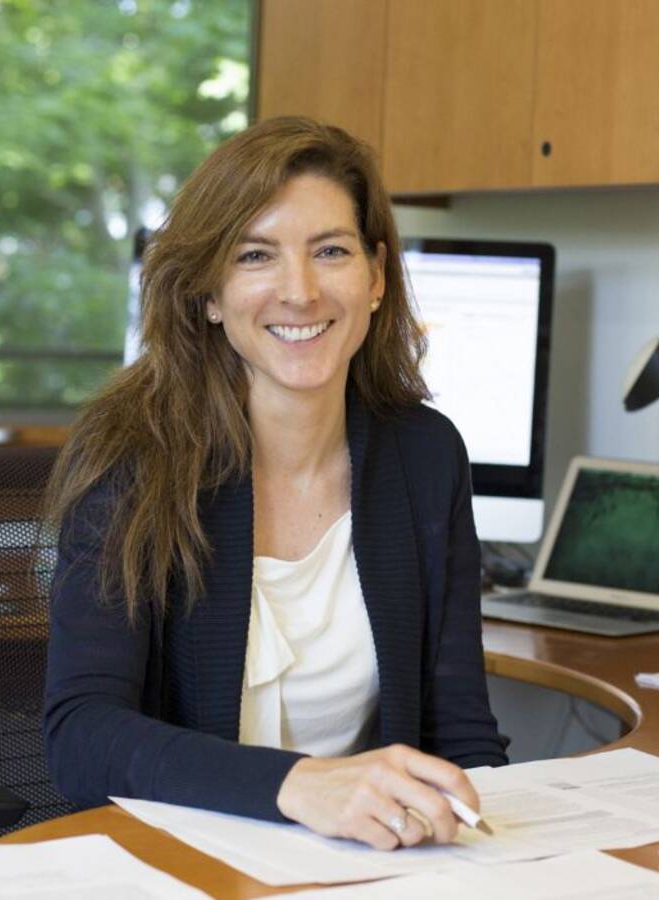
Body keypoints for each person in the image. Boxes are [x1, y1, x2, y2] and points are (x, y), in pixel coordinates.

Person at [43, 116, 508, 851]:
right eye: (256, 256)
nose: (300, 291)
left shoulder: (426, 455)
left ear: (376, 277)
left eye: (330, 251)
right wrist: (298, 785)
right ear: (209, 294)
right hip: (180, 861)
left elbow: (462, 731)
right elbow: (82, 738)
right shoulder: (133, 459)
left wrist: (501, 854)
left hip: (372, 866)